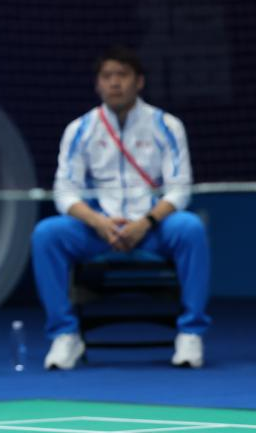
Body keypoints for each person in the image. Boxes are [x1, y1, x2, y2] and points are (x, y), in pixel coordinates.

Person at [32, 45, 211, 370]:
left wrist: (145, 223)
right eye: (107, 76)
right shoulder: (80, 129)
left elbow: (180, 188)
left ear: (139, 81)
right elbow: (65, 192)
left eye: (122, 75)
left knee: (191, 228)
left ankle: (190, 332)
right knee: (47, 234)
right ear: (97, 84)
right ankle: (65, 334)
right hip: (99, 230)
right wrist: (98, 222)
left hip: (152, 229)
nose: (114, 82)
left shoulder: (167, 125)